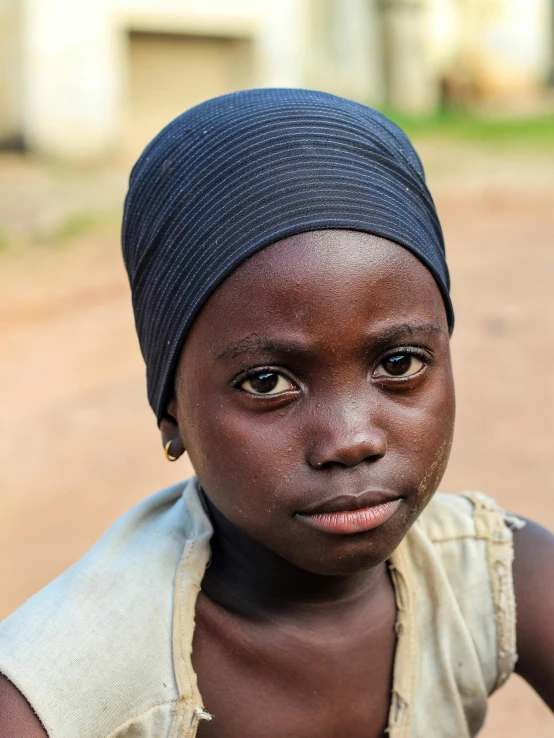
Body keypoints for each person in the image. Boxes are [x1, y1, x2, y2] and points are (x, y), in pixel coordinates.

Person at [0, 88, 552, 738]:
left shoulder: (490, 573)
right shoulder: (60, 678)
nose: (349, 440)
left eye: (399, 364)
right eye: (266, 381)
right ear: (171, 411)